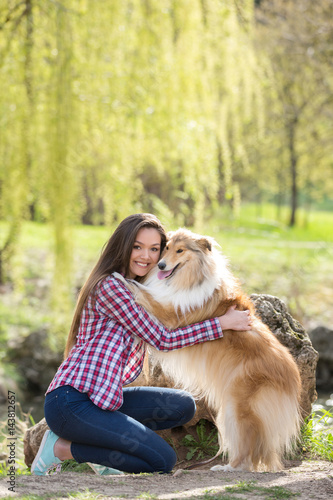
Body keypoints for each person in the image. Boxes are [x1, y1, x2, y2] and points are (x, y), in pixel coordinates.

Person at [31, 213, 252, 476]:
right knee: (162, 461)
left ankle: (102, 446)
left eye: (154, 249)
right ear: (123, 246)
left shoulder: (140, 287)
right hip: (71, 403)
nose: (146, 256)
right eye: (138, 247)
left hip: (103, 399)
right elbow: (162, 339)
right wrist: (222, 323)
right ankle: (60, 448)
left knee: (184, 406)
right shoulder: (111, 287)